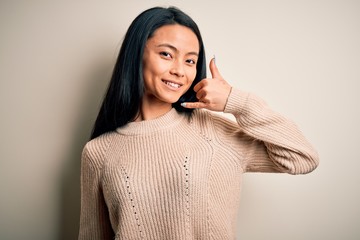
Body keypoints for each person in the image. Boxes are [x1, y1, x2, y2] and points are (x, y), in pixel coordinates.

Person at [78, 6, 319, 240]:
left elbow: (302, 157)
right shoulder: (99, 152)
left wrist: (237, 102)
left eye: (190, 61)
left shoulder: (211, 131)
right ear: (136, 55)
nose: (179, 71)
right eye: (166, 54)